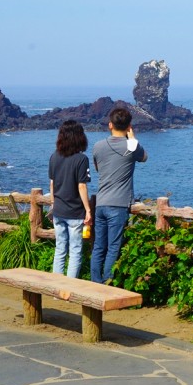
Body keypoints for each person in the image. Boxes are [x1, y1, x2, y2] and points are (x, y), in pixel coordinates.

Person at [90, 107, 148, 284]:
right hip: (119, 204)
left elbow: (98, 168)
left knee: (99, 246)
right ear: (129, 126)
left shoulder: (98, 146)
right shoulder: (132, 147)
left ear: (110, 124)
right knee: (113, 247)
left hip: (101, 203)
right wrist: (132, 138)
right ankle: (107, 284)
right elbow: (144, 157)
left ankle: (95, 282)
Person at [49, 120, 92, 279]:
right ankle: (69, 287)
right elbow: (82, 186)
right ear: (79, 137)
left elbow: (52, 183)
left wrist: (53, 204)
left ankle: (56, 287)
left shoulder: (54, 156)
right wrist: (88, 209)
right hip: (74, 212)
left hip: (58, 210)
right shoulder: (81, 159)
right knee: (75, 251)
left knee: (60, 249)